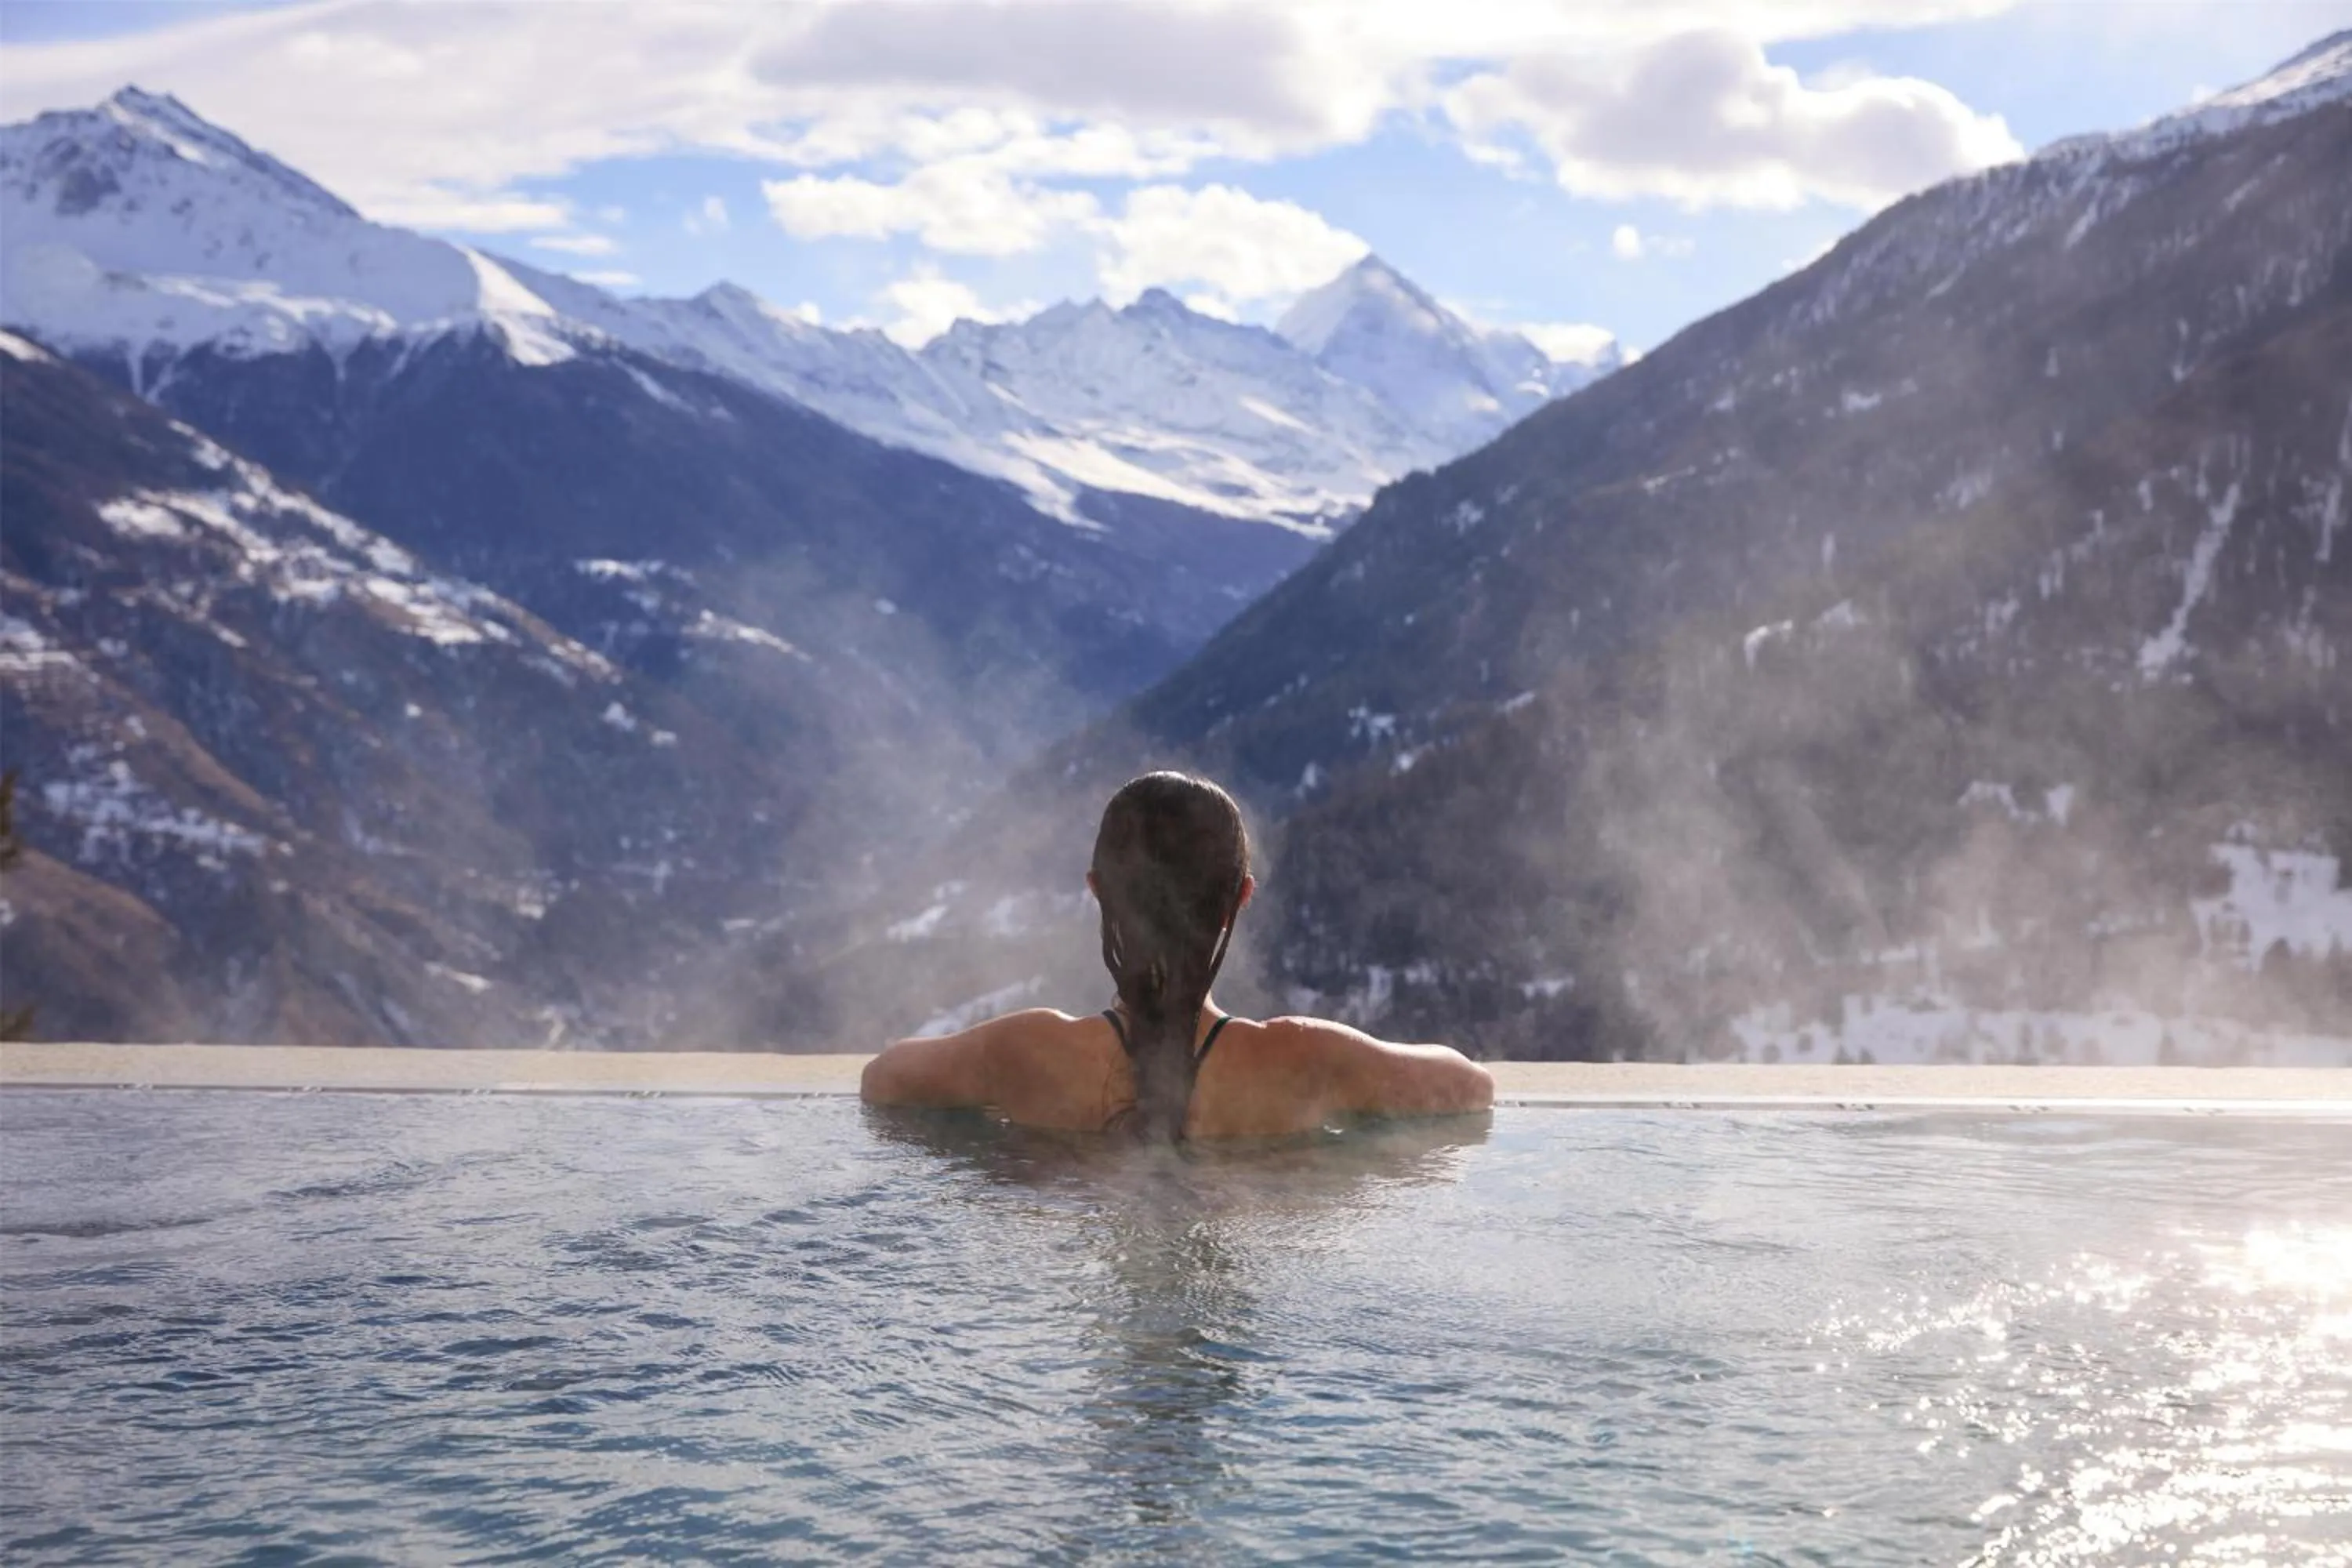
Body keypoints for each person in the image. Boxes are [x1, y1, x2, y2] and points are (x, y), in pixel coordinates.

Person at [861, 771, 1494, 1139]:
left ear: (1098, 891)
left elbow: (882, 1080)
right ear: (1239, 897)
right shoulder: (1308, 1059)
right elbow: (1471, 1085)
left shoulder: (1025, 1053)